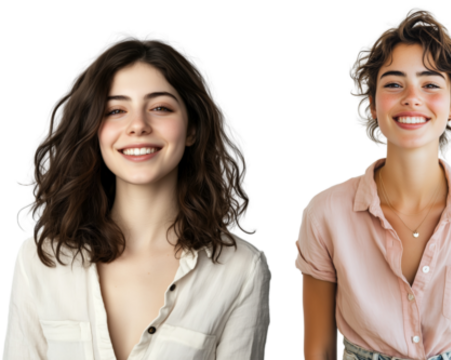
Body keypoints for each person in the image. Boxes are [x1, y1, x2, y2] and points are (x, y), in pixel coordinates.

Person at [3, 29, 271, 360]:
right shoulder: (39, 259)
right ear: (93, 130)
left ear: (192, 129)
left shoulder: (242, 269)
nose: (138, 125)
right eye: (115, 110)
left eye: (160, 108)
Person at [293, 6, 451, 360]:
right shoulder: (324, 213)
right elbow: (318, 350)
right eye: (394, 84)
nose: (411, 98)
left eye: (430, 84)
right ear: (372, 104)